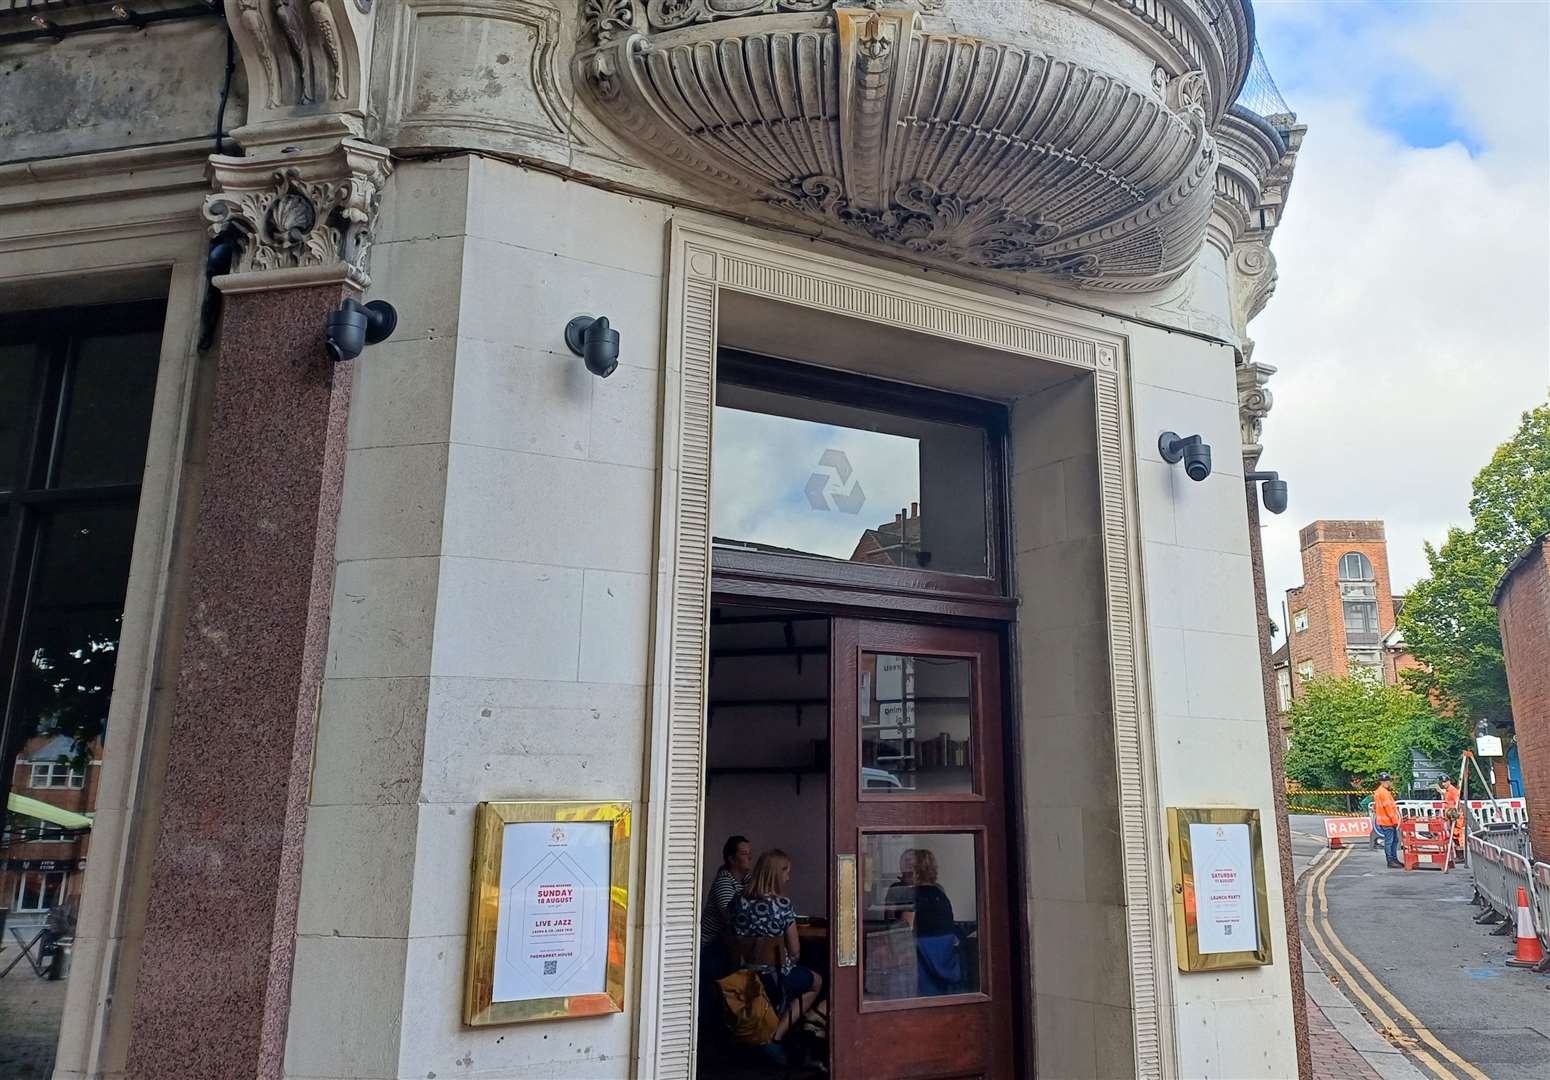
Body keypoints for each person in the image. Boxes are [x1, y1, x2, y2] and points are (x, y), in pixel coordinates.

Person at [729, 850, 823, 1040]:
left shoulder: (738, 901)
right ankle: (778, 1034)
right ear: (778, 873)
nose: (789, 877)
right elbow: (795, 951)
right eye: (787, 872)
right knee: (816, 981)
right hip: (775, 976)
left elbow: (731, 936)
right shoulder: (782, 905)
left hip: (743, 973)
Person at [884, 848, 960, 995]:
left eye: (907, 864)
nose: (903, 868)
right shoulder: (939, 891)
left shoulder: (908, 893)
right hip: (944, 958)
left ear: (916, 870)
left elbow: (903, 930)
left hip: (921, 962)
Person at [701, 834, 751, 980]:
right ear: (731, 859)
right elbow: (731, 920)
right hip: (712, 946)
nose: (749, 858)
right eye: (744, 854)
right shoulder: (724, 882)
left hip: (730, 944)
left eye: (750, 853)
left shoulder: (745, 880)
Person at [1373, 773, 1401, 868]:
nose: (1386, 783)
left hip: (1383, 821)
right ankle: (1391, 860)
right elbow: (1388, 808)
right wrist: (1395, 821)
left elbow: (1375, 807)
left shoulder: (1378, 791)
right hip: (1388, 821)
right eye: (1385, 781)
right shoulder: (1384, 793)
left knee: (1394, 840)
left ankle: (1394, 859)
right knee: (1390, 841)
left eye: (1387, 781)